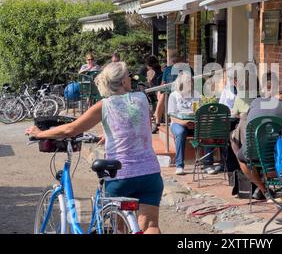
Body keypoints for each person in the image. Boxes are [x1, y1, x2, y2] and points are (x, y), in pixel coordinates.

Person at [26, 62, 163, 234]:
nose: (131, 78)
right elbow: (136, 123)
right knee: (150, 225)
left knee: (119, 229)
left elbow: (71, 129)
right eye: (128, 75)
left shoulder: (104, 105)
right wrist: (112, 133)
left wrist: (40, 133)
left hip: (121, 176)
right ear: (122, 82)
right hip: (149, 173)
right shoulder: (141, 99)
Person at [230, 73, 282, 212]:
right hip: (277, 158)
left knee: (241, 157)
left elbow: (248, 122)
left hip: (253, 152)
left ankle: (263, 190)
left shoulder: (255, 103)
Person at [168, 73, 216, 175]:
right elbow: (172, 117)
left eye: (191, 83)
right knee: (180, 132)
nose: (191, 85)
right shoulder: (174, 95)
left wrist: (195, 122)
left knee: (206, 130)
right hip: (178, 123)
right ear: (181, 84)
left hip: (194, 122)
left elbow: (198, 111)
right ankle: (179, 165)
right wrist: (184, 123)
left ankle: (208, 164)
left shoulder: (196, 94)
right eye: (188, 83)